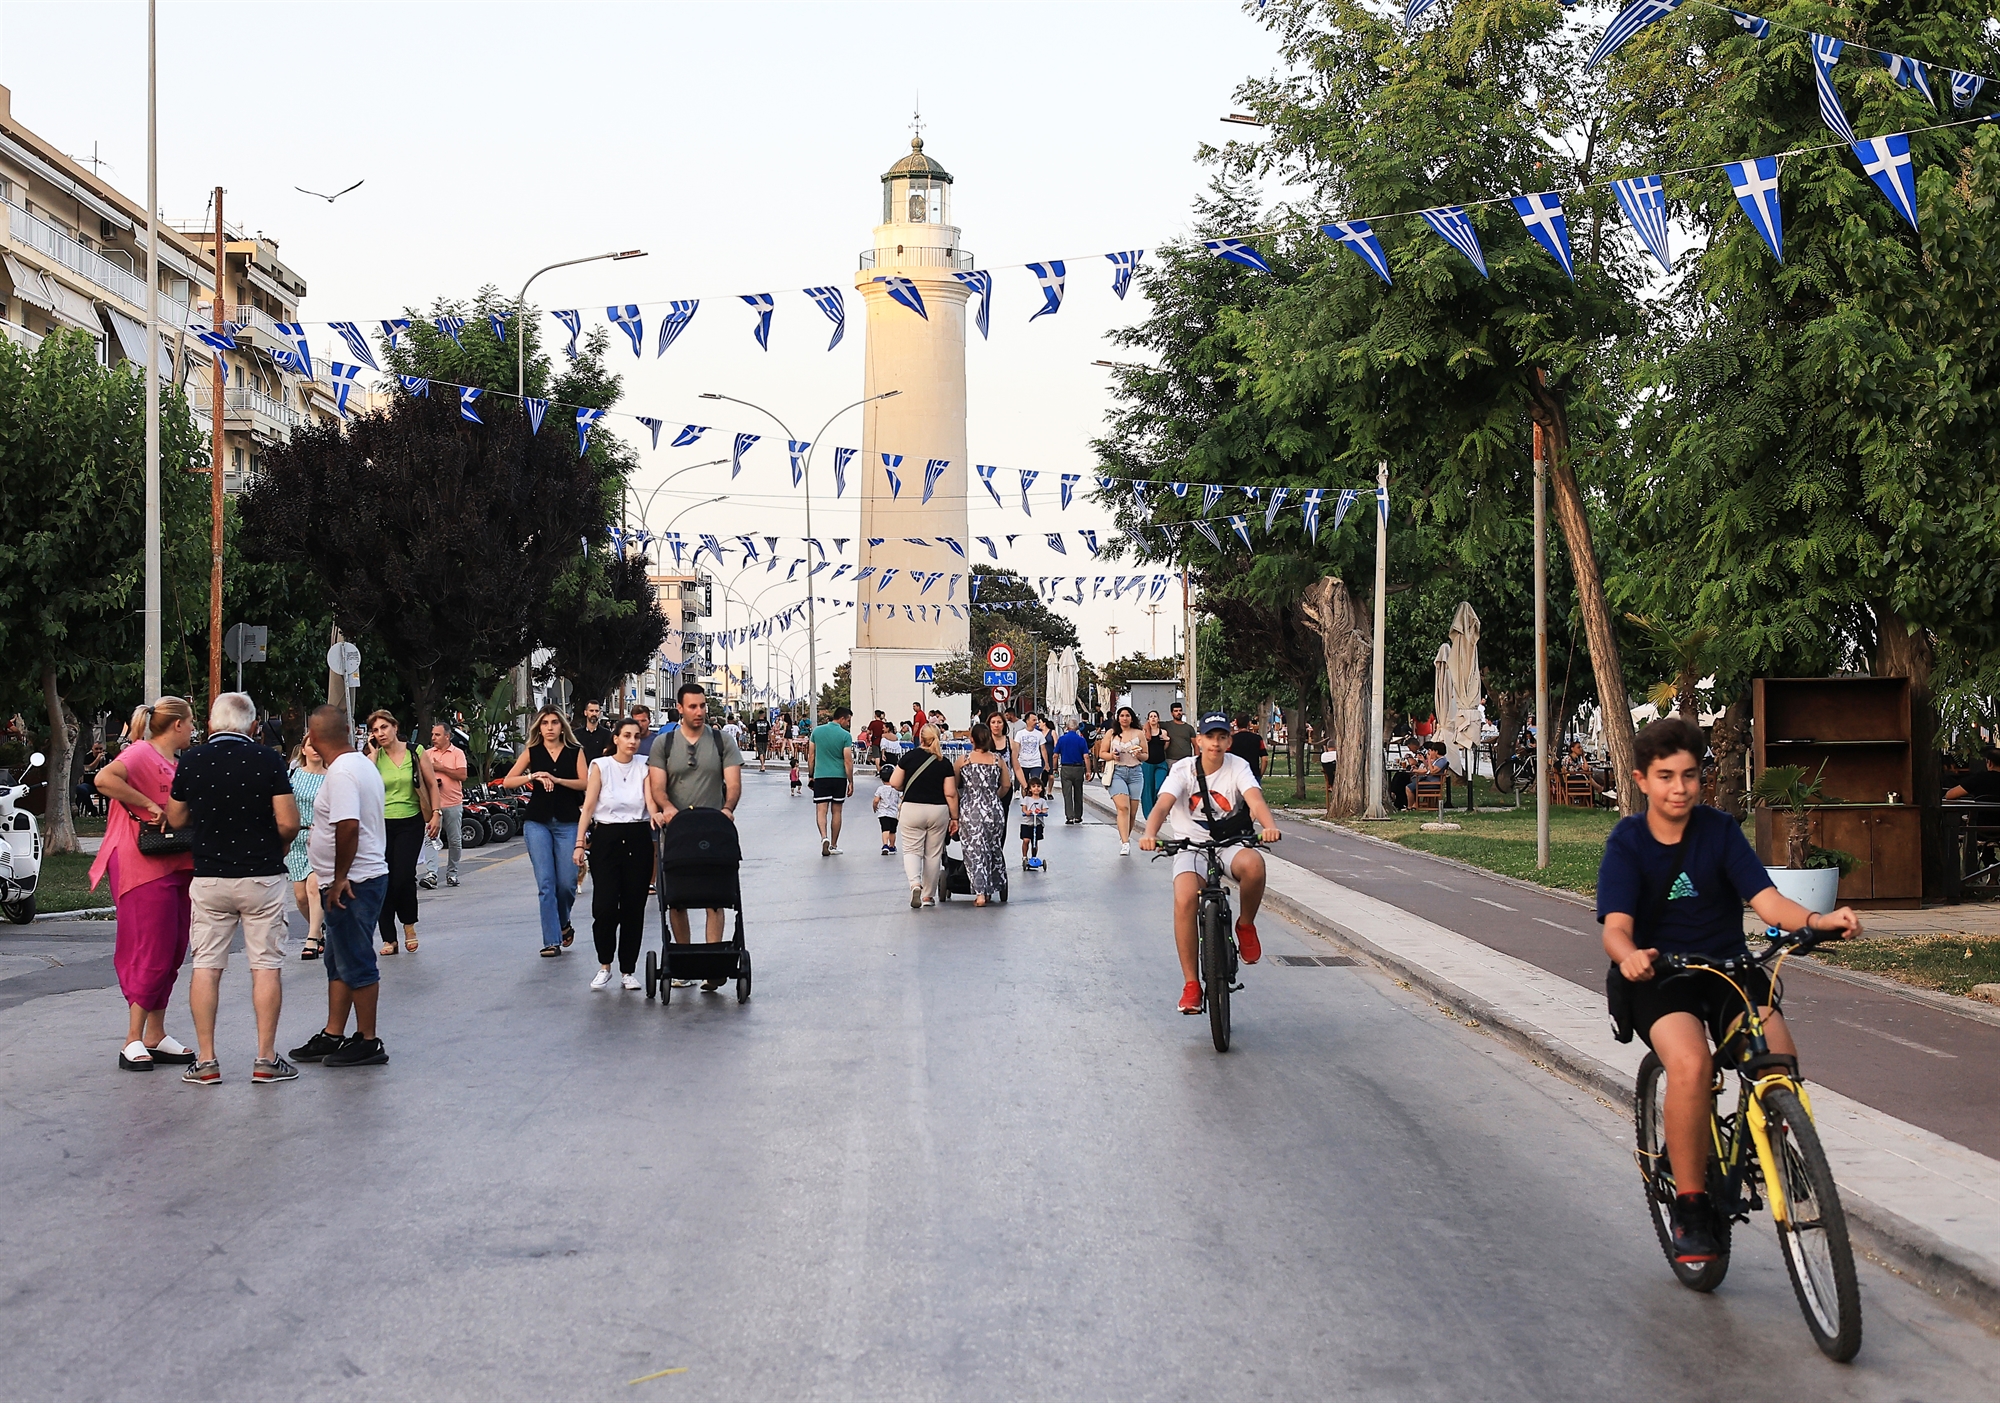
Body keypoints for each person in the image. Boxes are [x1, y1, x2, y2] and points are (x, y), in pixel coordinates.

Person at [1597, 718, 1859, 1264]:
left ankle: (1772, 1137)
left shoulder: (1718, 831)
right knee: (1691, 1066)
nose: (1679, 788)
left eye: (1689, 775)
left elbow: (1766, 902)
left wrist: (1817, 918)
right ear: (1642, 780)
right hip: (1659, 977)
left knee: (1778, 1054)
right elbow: (1615, 928)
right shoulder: (1628, 842)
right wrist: (1632, 957)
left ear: (1702, 778)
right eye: (1665, 776)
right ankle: (1691, 1207)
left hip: (1728, 969)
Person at [164, 692, 301, 1086]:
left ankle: (206, 1061)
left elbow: (175, 817)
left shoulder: (192, 760)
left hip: (209, 877)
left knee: (206, 966)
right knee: (266, 966)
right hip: (261, 877)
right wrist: (279, 844)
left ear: (210, 725)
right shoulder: (268, 760)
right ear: (254, 726)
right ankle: (265, 1058)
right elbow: (289, 822)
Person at [1139, 712, 1283, 1013]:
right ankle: (1191, 984)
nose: (1215, 744)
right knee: (1185, 897)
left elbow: (1255, 799)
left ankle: (1245, 925)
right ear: (1199, 741)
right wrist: (1149, 834)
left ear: (1229, 741)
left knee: (1255, 865)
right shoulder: (1183, 770)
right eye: (1209, 737)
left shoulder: (1237, 766)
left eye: (1221, 737)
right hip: (1191, 846)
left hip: (1229, 843)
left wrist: (1268, 826)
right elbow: (1163, 805)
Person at [89, 698, 199, 1073]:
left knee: (172, 948)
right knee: (150, 947)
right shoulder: (141, 753)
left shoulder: (174, 761)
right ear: (178, 725)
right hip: (141, 864)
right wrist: (151, 807)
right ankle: (132, 1038)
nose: (194, 728)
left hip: (174, 862)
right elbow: (104, 780)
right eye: (191, 722)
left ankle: (155, 1033)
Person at [287, 705, 392, 1069]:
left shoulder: (344, 772)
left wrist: (340, 876)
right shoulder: (360, 765)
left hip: (354, 882)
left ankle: (368, 1039)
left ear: (313, 738)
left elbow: (347, 826)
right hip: (356, 877)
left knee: (356, 958)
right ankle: (334, 1033)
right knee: (338, 958)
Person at [647, 682, 743, 990]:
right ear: (680, 708)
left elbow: (733, 783)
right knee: (678, 898)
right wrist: (667, 808)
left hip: (713, 828)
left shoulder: (721, 741)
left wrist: (727, 808)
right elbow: (657, 787)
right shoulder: (664, 744)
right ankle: (684, 963)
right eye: (692, 706)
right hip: (677, 831)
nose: (699, 711)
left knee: (715, 898)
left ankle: (713, 964)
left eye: (702, 706)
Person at [501, 708, 587, 957]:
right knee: (546, 883)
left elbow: (586, 783)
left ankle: (564, 922)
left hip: (568, 821)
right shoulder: (532, 752)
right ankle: (552, 940)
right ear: (539, 728)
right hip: (537, 822)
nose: (549, 727)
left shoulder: (575, 752)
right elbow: (508, 781)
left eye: (554, 723)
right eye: (545, 723)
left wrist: (557, 780)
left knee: (567, 883)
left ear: (562, 727)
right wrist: (533, 776)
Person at [576, 717, 652, 991]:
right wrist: (579, 843)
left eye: (637, 736)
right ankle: (604, 964)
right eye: (627, 736)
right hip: (606, 836)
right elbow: (588, 807)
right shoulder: (601, 766)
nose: (633, 741)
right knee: (605, 906)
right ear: (616, 738)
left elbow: (650, 801)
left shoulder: (645, 765)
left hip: (638, 836)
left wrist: (659, 816)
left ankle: (628, 969)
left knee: (634, 906)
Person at [364, 711, 436, 956]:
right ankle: (388, 937)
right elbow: (365, 786)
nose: (380, 733)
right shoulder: (373, 757)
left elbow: (430, 782)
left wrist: (436, 813)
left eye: (384, 727)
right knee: (381, 878)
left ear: (395, 727)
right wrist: (372, 757)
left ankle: (408, 926)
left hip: (410, 821)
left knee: (403, 877)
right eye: (375, 730)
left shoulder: (415, 751)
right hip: (379, 824)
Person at [887, 724, 957, 907]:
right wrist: (955, 817)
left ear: (920, 738)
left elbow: (894, 782)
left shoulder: (909, 757)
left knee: (911, 850)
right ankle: (927, 896)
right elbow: (950, 793)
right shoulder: (944, 762)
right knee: (933, 854)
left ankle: (914, 884)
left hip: (912, 808)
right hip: (937, 810)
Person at [954, 723, 1009, 906]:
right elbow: (1007, 785)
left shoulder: (964, 760)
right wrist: (993, 796)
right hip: (993, 810)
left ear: (972, 740)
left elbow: (953, 786)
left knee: (975, 851)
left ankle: (980, 893)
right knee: (992, 848)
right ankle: (993, 885)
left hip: (971, 810)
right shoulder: (997, 760)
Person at [287, 740, 328, 960]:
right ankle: (320, 929)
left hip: (320, 839)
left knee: (314, 886)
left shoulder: (331, 777)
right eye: (311, 745)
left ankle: (312, 938)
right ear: (303, 749)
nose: (315, 748)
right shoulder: (292, 776)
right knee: (301, 897)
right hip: (296, 839)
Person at [1097, 706, 1147, 856]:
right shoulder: (1112, 734)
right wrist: (1112, 756)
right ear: (1118, 718)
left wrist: (1139, 754)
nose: (1124, 718)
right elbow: (1102, 753)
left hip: (1135, 773)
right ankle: (1125, 843)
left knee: (1132, 812)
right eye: (1122, 715)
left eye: (1127, 715)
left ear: (1132, 718)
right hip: (1117, 772)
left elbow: (1146, 755)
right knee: (1123, 808)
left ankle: (1125, 837)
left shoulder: (1139, 733)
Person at [808, 706, 856, 856]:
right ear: (842, 718)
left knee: (821, 810)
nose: (848, 724)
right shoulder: (845, 736)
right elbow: (848, 761)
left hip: (821, 776)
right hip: (839, 777)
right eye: (848, 720)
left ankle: (824, 837)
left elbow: (811, 755)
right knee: (837, 811)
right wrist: (851, 781)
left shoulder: (817, 732)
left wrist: (811, 775)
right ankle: (834, 845)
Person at [426, 721, 469, 887]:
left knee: (455, 840)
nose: (433, 738)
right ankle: (431, 874)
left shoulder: (457, 753)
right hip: (433, 805)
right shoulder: (428, 753)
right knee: (430, 838)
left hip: (452, 802)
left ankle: (452, 873)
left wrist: (441, 768)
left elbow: (463, 775)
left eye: (437, 735)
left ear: (447, 736)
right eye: (432, 734)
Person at [1053, 718, 1090, 823]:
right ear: (1077, 728)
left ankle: (1069, 817)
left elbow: (1055, 756)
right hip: (1078, 768)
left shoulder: (1061, 739)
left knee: (1067, 793)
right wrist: (1088, 771)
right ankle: (1078, 815)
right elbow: (1086, 757)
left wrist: (1055, 769)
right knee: (1078, 792)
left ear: (1067, 727)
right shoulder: (1081, 740)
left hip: (1066, 768)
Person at [1141, 711, 1169, 819]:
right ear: (1148, 719)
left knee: (1159, 787)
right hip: (1148, 763)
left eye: (1155, 716)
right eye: (1151, 716)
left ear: (1158, 719)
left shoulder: (1163, 732)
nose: (1153, 718)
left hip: (1160, 763)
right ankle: (1150, 815)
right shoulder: (1144, 732)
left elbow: (1165, 747)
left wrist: (1167, 740)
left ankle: (1159, 810)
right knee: (1148, 789)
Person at [1013, 712, 1048, 794]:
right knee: (1024, 785)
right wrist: (1015, 761)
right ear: (1027, 721)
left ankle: (1034, 801)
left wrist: (1046, 763)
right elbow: (1016, 748)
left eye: (1036, 720)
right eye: (1033, 720)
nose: (1036, 722)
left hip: (1035, 763)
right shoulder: (1020, 734)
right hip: (1023, 762)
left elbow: (1043, 749)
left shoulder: (1039, 734)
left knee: (1035, 783)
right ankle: (1026, 802)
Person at [1019, 775, 1048, 868]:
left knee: (1035, 842)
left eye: (1038, 786)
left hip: (1038, 823)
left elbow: (1045, 809)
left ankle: (1034, 857)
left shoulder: (1042, 800)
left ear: (1042, 788)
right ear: (1030, 789)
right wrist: (1026, 812)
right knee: (1026, 840)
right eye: (1034, 786)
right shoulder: (1027, 799)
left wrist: (1042, 811)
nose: (1036, 788)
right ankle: (1024, 857)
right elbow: (1023, 808)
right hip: (1027, 823)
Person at [872, 763, 902, 855]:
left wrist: (875, 807)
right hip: (894, 814)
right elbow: (902, 798)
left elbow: (876, 800)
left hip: (883, 813)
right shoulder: (897, 789)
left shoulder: (880, 789)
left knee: (885, 829)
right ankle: (892, 846)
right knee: (893, 831)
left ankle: (885, 845)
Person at [575, 700, 614, 765]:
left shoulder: (607, 734)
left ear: (599, 713)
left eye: (596, 711)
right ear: (585, 712)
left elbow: (608, 755)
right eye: (591, 711)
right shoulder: (576, 734)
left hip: (600, 771)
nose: (594, 713)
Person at [1159, 701, 1197, 767]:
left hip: (1187, 761)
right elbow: (1150, 723)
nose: (1178, 713)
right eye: (1176, 711)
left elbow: (1196, 745)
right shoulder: (1167, 725)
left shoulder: (1189, 728)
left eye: (1180, 710)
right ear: (1172, 713)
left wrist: (1197, 761)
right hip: (1171, 761)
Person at [1230, 714, 1268, 779]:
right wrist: (1260, 774)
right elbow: (1265, 759)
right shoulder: (1257, 739)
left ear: (1236, 724)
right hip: (1253, 774)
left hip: (1236, 775)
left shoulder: (1231, 740)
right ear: (1249, 724)